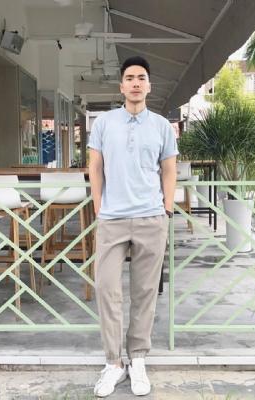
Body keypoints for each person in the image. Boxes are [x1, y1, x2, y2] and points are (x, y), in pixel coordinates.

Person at [88, 56, 178, 397]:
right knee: (105, 287)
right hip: (112, 219)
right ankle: (114, 363)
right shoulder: (104, 123)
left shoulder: (161, 126)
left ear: (149, 85)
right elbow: (95, 168)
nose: (136, 82)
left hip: (151, 217)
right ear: (122, 85)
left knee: (144, 292)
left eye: (141, 77)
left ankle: (137, 358)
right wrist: (99, 209)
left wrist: (167, 210)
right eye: (130, 77)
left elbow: (169, 170)